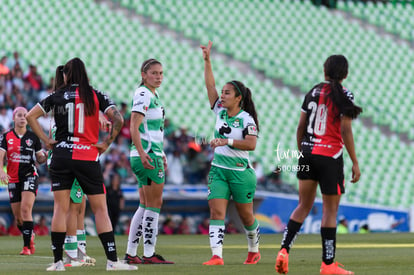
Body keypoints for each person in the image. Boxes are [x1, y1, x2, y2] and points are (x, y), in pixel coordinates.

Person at [25, 57, 137, 271]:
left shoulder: (56, 95)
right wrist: (106, 143)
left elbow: (31, 116)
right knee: (100, 209)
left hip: (61, 155)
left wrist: (47, 141)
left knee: (60, 208)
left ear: (66, 75)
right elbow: (120, 119)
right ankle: (112, 261)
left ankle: (58, 262)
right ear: (84, 73)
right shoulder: (95, 94)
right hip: (87, 155)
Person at [275, 55, 362, 275]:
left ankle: (284, 250)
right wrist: (354, 161)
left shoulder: (312, 92)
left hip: (308, 153)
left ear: (324, 71)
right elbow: (345, 130)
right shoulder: (345, 95)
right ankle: (328, 264)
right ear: (346, 73)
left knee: (303, 205)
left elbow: (300, 127)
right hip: (330, 156)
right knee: (330, 211)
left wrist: (301, 153)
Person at [200, 41, 261, 266]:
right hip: (219, 170)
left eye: (227, 93)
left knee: (246, 216)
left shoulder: (247, 119)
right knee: (216, 212)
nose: (222, 96)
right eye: (222, 92)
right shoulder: (219, 110)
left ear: (238, 98)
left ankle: (254, 249)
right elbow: (210, 86)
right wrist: (207, 61)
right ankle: (217, 256)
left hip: (240, 172)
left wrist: (227, 141)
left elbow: (251, 145)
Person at [123, 58, 174, 265]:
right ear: (144, 75)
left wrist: (159, 153)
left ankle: (131, 252)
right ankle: (149, 253)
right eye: (154, 73)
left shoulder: (153, 94)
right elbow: (134, 125)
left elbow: (151, 130)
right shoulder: (144, 93)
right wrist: (145, 153)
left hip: (149, 153)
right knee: (154, 203)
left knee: (144, 204)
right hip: (146, 155)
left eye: (161, 73)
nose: (159, 77)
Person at [48, 65, 97, 268]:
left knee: (77, 206)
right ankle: (71, 255)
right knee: (72, 208)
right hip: (73, 155)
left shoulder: (59, 100)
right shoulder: (72, 100)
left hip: (60, 156)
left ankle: (78, 251)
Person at [0, 106, 47, 255]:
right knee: (19, 218)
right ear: (13, 118)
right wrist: (1, 170)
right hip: (13, 178)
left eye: (25, 115)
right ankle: (30, 234)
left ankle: (27, 247)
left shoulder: (33, 137)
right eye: (19, 115)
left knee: (26, 209)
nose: (22, 117)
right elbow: (1, 155)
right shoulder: (6, 136)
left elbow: (40, 158)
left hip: (29, 175)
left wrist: (44, 156)